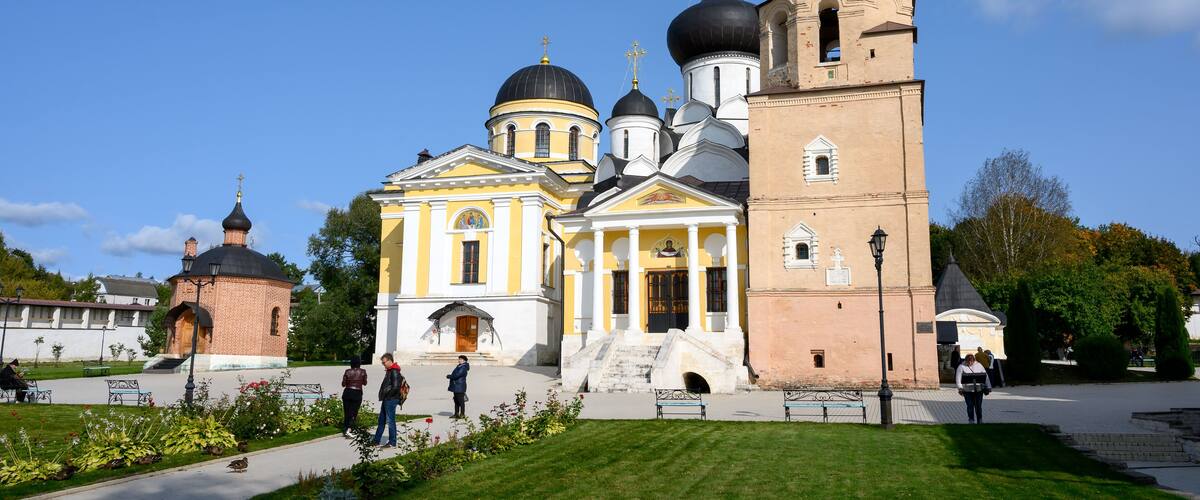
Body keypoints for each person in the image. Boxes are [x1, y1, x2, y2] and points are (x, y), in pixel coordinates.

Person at [373, 353, 405, 447]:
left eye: (384, 363)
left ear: (390, 361)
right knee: (381, 420)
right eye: (382, 363)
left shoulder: (394, 371)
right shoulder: (390, 370)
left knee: (390, 421)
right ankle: (376, 440)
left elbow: (395, 387)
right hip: (387, 399)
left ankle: (392, 442)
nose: (383, 365)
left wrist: (388, 396)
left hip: (391, 399)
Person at [955, 353, 991, 424]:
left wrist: (989, 386)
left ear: (974, 360)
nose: (970, 363)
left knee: (978, 406)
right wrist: (960, 388)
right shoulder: (961, 366)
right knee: (970, 406)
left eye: (971, 361)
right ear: (965, 360)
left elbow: (986, 377)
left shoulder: (979, 365)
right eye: (968, 361)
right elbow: (958, 378)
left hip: (978, 389)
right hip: (967, 390)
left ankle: (980, 420)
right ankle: (971, 420)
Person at [340, 357, 367, 438]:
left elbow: (343, 384)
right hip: (357, 392)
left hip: (347, 392)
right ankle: (350, 429)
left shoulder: (347, 371)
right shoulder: (363, 371)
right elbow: (365, 383)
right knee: (354, 412)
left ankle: (346, 429)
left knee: (347, 412)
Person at [447, 355, 470, 419]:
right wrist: (451, 376)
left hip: (460, 386)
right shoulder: (459, 366)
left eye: (461, 359)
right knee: (456, 400)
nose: (459, 360)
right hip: (456, 385)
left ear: (464, 360)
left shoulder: (463, 367)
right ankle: (456, 414)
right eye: (459, 359)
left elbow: (457, 375)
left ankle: (462, 414)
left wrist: (450, 376)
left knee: (461, 401)